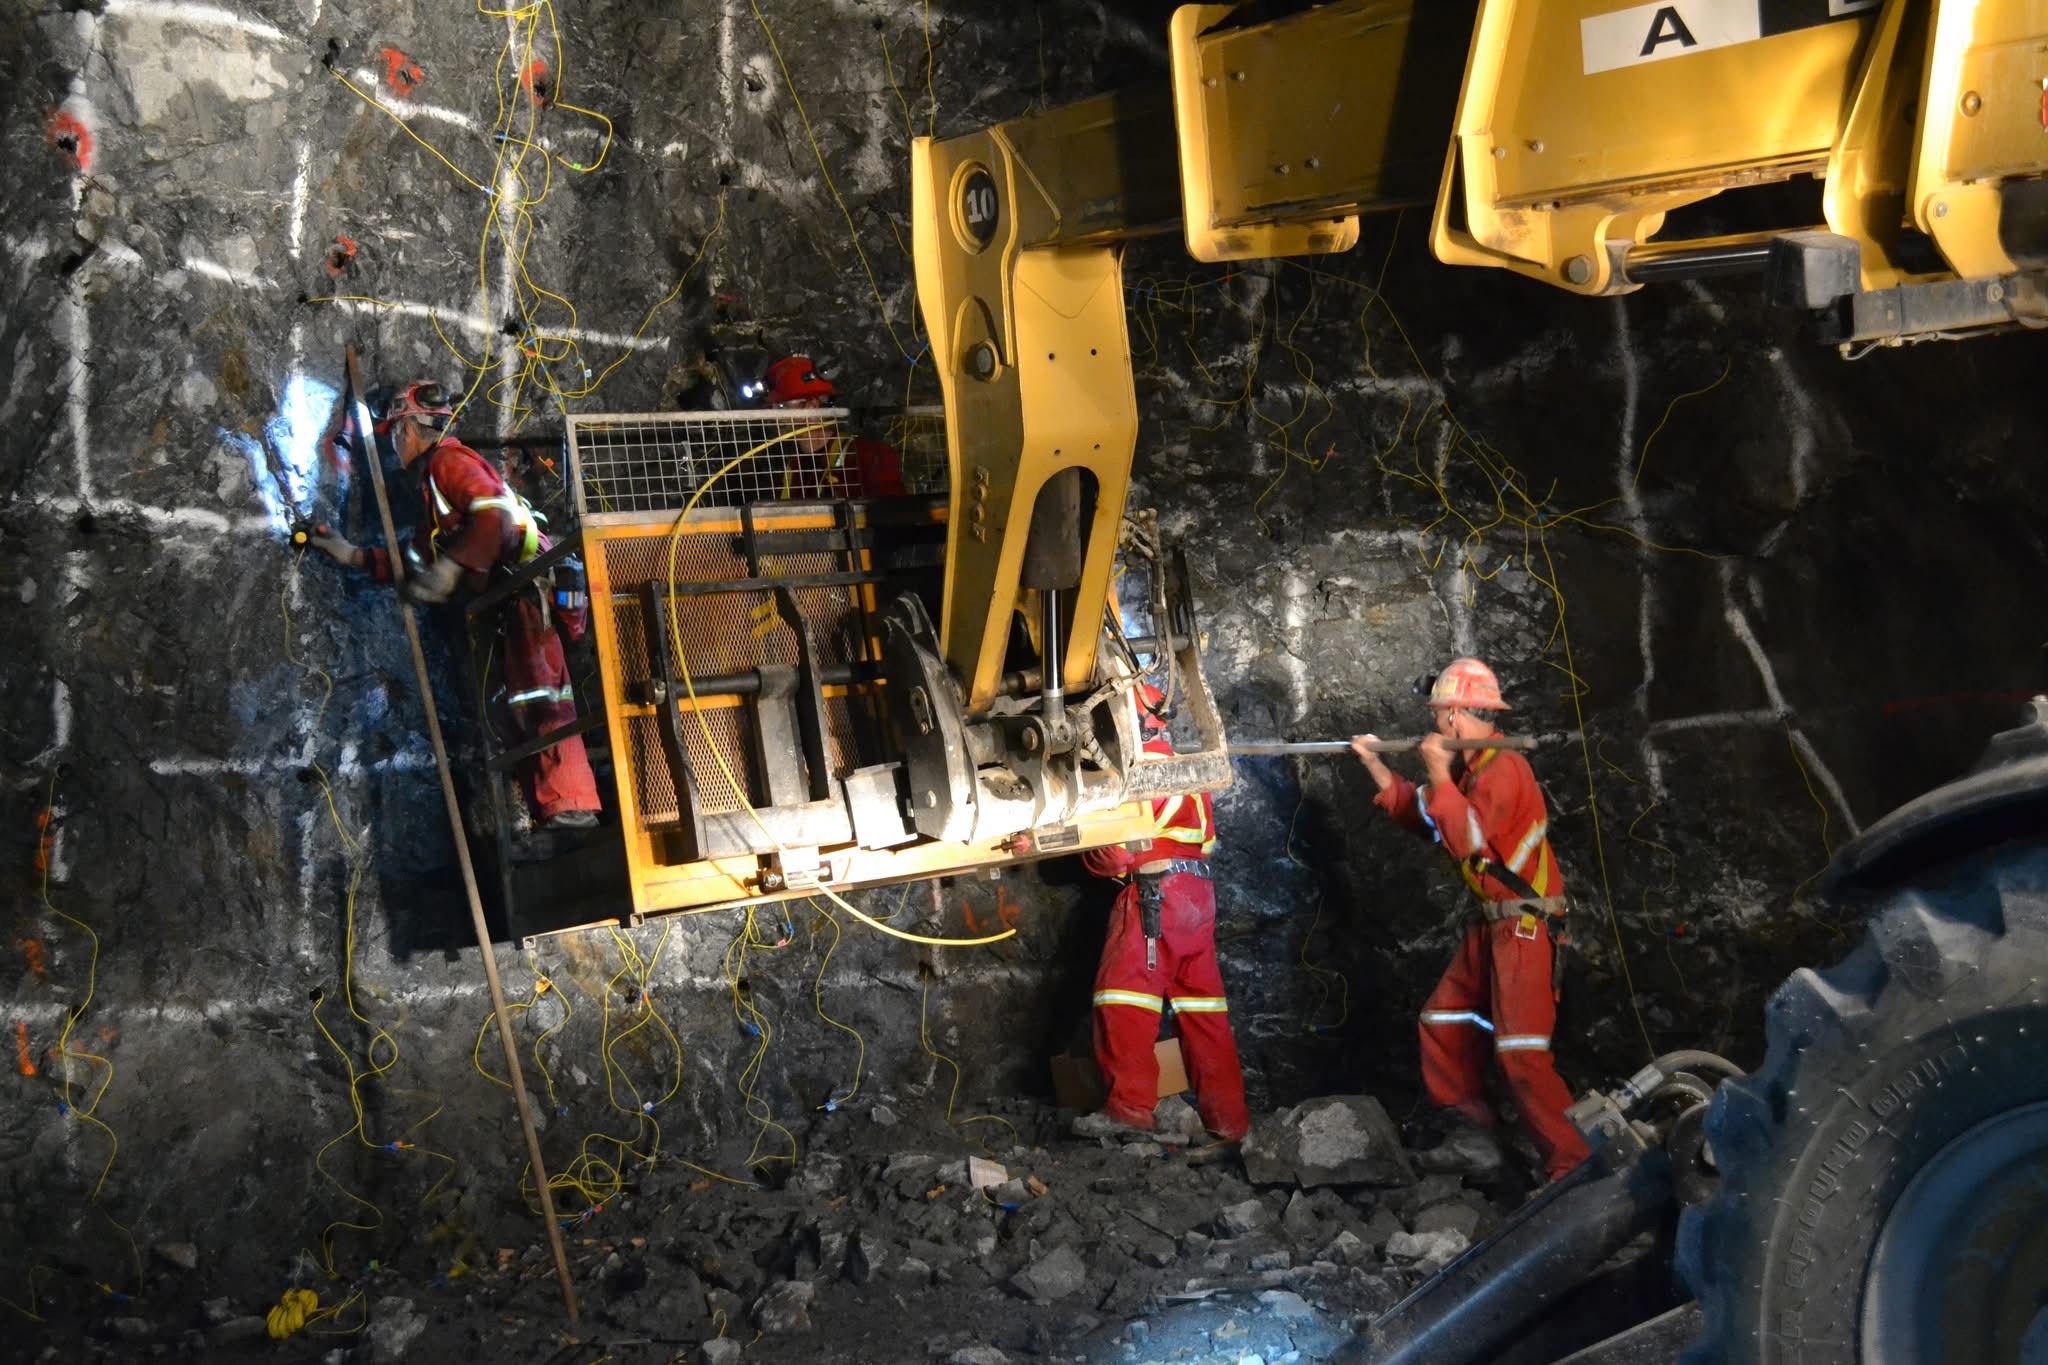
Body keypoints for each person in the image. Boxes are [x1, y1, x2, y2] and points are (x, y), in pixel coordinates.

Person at [306, 379, 602, 831]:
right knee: (515, 706)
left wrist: (452, 567)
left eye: (395, 434)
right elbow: (415, 559)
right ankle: (553, 809)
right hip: (510, 600)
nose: (395, 447)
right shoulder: (433, 493)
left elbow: (493, 515)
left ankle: (572, 807)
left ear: (408, 429)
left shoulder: (450, 460)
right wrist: (350, 554)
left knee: (540, 696)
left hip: (528, 588)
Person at [1350, 657, 1590, 1182]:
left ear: (1456, 714)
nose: (1435, 721)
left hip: (1526, 927)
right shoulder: (1472, 767)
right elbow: (1429, 819)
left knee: (1521, 1054)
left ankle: (1573, 1166)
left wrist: (1437, 770)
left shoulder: (1505, 768)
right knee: (1444, 1022)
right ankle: (1475, 1138)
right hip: (1493, 925)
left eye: (1439, 713)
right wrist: (1375, 765)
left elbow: (1466, 840)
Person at [1074, 683, 1250, 1143]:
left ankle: (1129, 1111)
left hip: (1156, 895)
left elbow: (1114, 856)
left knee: (1123, 998)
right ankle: (1229, 1123)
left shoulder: (1134, 775)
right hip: (1197, 897)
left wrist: (1084, 848)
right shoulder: (1187, 770)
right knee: (1204, 1011)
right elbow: (1205, 841)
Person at [761, 354, 907, 497]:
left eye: (782, 406)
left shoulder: (864, 454)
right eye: (773, 406)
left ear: (813, 406)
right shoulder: (793, 468)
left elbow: (892, 508)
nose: (773, 413)